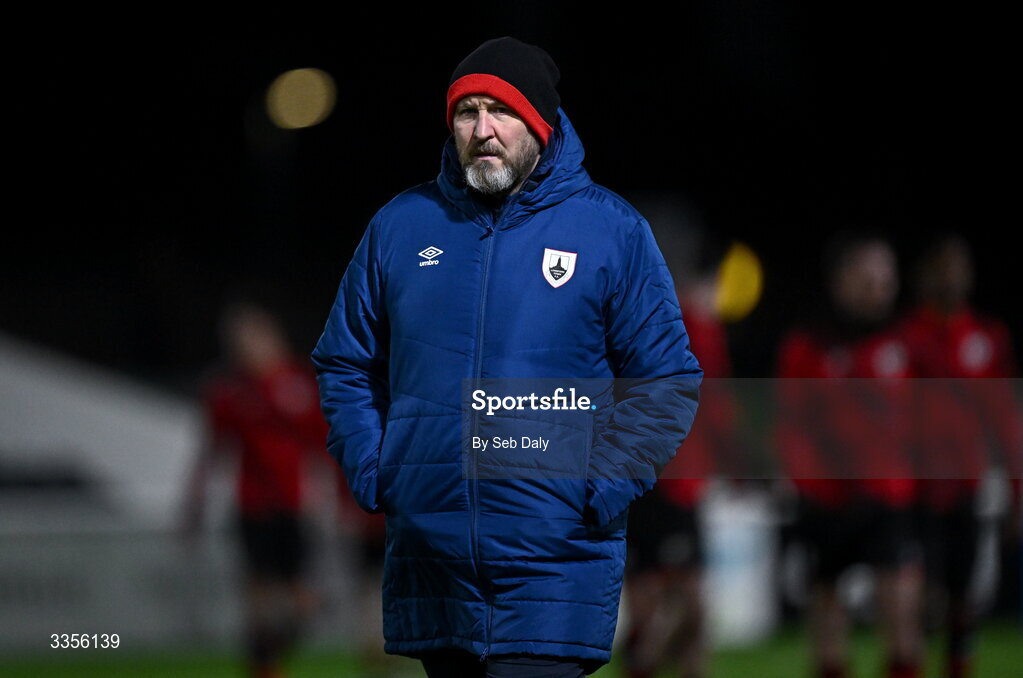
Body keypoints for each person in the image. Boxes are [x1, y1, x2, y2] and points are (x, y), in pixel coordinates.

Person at [310, 36, 702, 678]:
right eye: (467, 113)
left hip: (555, 568)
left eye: (502, 110)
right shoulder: (400, 227)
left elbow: (665, 378)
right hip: (433, 566)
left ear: (540, 124)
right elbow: (344, 362)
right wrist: (379, 471)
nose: (483, 130)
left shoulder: (611, 230)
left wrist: (597, 488)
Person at [775, 233, 923, 678]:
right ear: (841, 282)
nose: (879, 288)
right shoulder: (808, 345)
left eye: (886, 279)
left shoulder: (907, 343)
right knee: (827, 619)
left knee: (902, 614)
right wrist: (809, 486)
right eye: (867, 279)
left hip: (890, 497)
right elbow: (790, 427)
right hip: (827, 502)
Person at [899, 234, 1022, 678]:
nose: (953, 276)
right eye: (943, 266)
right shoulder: (908, 337)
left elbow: (1005, 421)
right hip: (917, 492)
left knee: (962, 604)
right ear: (926, 276)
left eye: (960, 266)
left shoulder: (987, 338)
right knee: (919, 603)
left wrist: (1015, 491)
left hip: (966, 489)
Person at [184, 302, 329, 678]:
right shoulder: (227, 392)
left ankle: (269, 659)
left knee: (303, 605)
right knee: (260, 600)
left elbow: (324, 444)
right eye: (238, 339)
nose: (246, 346)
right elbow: (211, 452)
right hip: (252, 509)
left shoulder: (298, 382)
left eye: (254, 336)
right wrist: (194, 503)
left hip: (295, 507)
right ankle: (263, 668)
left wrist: (345, 495)